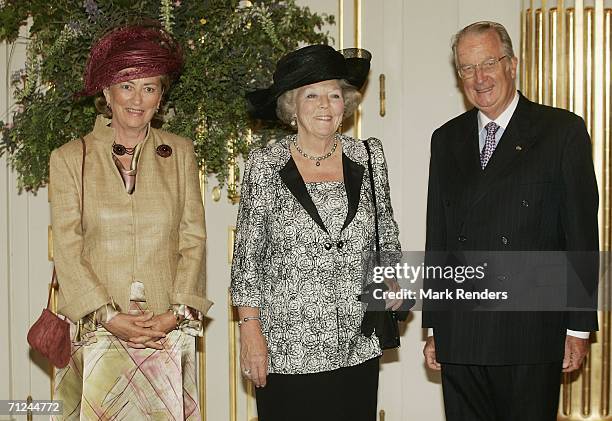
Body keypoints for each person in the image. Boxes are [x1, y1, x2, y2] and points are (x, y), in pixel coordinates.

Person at [422, 21, 599, 421]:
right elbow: (440, 237)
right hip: (462, 333)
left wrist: (578, 329)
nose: (479, 77)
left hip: (531, 333)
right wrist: (435, 328)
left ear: (512, 65)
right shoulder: (445, 139)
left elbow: (581, 236)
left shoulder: (561, 131)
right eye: (466, 68)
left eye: (488, 63)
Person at [230, 44, 402, 421]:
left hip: (358, 341)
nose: (325, 105)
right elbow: (247, 262)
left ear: (346, 103)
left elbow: (386, 231)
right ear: (292, 105)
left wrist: (390, 275)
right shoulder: (265, 164)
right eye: (312, 95)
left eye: (334, 94)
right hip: (289, 346)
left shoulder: (369, 156)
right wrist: (250, 332)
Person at [49, 23, 212, 420]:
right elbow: (67, 250)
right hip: (99, 332)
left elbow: (193, 239)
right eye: (127, 86)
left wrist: (176, 314)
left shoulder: (183, 153)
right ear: (106, 92)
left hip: (165, 333)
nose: (138, 99)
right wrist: (108, 316)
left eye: (150, 87)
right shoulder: (69, 158)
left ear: (161, 97)